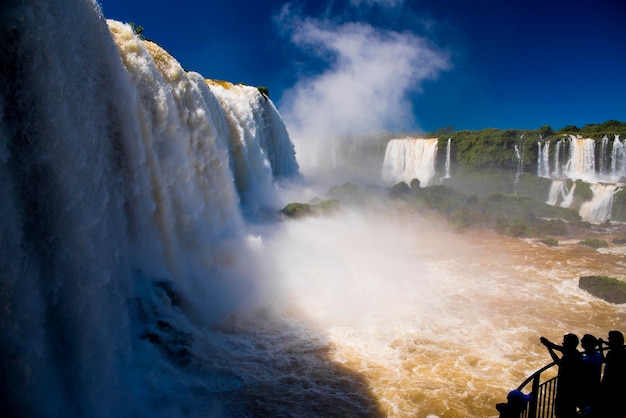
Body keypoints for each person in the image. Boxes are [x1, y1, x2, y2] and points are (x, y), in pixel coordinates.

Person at [540, 334, 584, 418]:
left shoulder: (572, 358)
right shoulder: (575, 353)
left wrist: (549, 348)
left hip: (566, 390)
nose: (563, 344)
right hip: (571, 390)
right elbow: (560, 348)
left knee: (563, 412)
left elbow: (559, 363)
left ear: (570, 344)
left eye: (565, 342)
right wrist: (548, 344)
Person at [598, 330, 626, 418]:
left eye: (610, 339)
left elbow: (603, 360)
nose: (609, 341)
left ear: (614, 341)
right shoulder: (623, 351)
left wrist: (600, 347)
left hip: (610, 384)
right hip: (619, 385)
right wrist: (604, 343)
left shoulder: (612, 353)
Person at [579, 334, 602, 416]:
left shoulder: (587, 360)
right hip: (596, 386)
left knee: (586, 408)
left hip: (588, 388)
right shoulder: (597, 354)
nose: (581, 341)